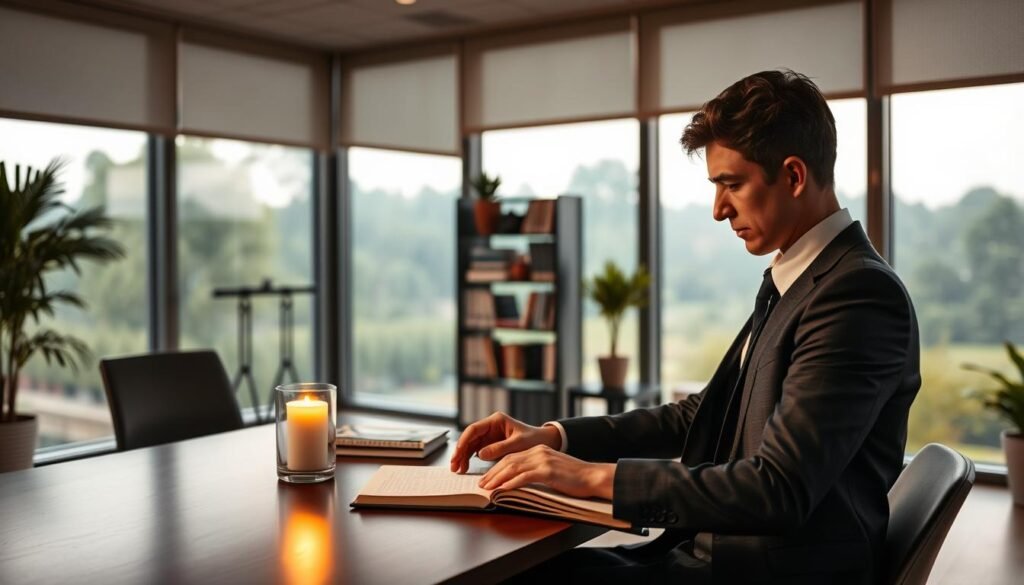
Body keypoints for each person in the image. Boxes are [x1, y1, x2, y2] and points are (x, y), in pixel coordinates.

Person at [449, 69, 921, 584]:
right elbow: (701, 414)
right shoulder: (802, 280)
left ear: (793, 176)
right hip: (716, 556)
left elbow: (777, 488)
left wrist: (588, 477)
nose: (719, 210)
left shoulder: (857, 295)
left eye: (731, 185)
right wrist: (556, 438)